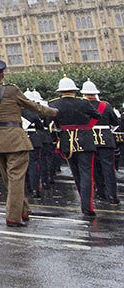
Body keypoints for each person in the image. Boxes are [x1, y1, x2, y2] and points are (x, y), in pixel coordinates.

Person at [0, 60, 58, 225]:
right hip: (15, 139)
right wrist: (54, 112)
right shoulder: (11, 90)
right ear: (2, 75)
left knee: (8, 178)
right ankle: (13, 216)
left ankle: (23, 210)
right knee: (16, 178)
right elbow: (33, 106)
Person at [48, 77, 102, 217]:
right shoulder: (83, 103)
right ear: (74, 90)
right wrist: (85, 124)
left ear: (61, 91)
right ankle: (87, 206)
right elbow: (97, 115)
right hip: (85, 140)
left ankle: (84, 204)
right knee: (86, 173)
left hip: (66, 141)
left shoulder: (54, 103)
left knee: (76, 174)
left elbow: (49, 122)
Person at [81, 80, 119, 205]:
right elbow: (115, 123)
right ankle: (112, 196)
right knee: (108, 168)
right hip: (106, 139)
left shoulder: (82, 106)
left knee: (94, 168)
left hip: (89, 139)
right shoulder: (105, 106)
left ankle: (100, 193)